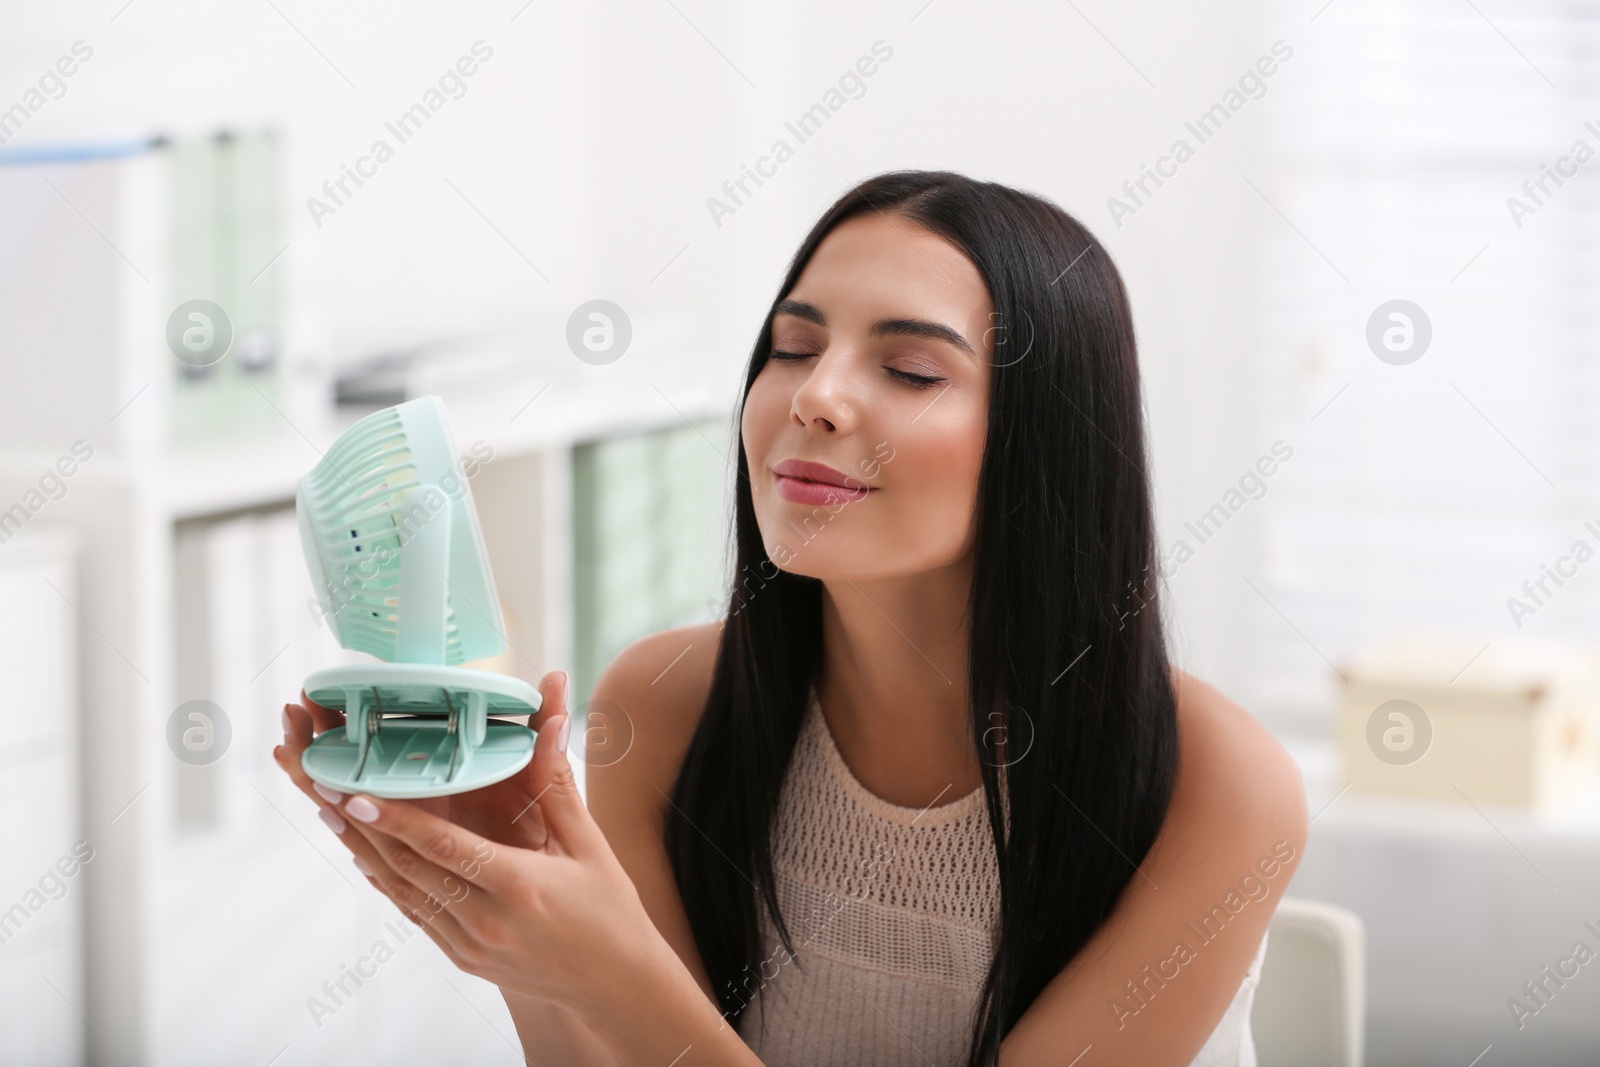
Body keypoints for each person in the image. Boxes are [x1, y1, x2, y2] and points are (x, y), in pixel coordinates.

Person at [276, 169, 1307, 1066]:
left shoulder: (1214, 782)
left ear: (1049, 445)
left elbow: (647, 1017)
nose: (813, 395)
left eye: (909, 368)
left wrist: (619, 972)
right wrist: (524, 942)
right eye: (790, 346)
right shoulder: (666, 703)